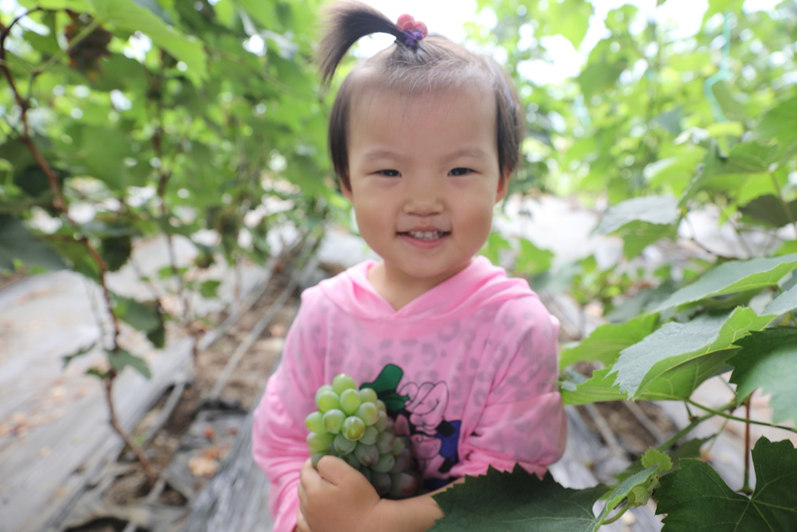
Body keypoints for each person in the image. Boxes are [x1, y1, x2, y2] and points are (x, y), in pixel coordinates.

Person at [251, 2, 567, 530]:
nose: (424, 199)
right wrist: (305, 518)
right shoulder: (324, 315)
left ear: (501, 181)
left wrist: (372, 522)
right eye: (390, 170)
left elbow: (511, 479)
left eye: (459, 169)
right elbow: (282, 442)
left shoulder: (515, 327)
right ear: (347, 183)